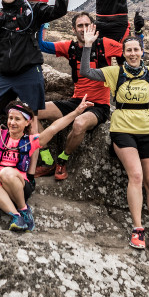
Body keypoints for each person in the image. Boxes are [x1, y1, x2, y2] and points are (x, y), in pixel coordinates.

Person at [77, 23, 149, 256]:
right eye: (128, 50)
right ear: (123, 54)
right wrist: (87, 46)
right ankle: (138, 229)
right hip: (122, 129)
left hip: (147, 130)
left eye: (136, 50)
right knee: (136, 176)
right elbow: (86, 72)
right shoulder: (114, 72)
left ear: (142, 52)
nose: (132, 54)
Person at [0, 72, 93, 231]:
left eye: (17, 119)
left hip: (17, 186)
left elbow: (55, 127)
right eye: (10, 118)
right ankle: (17, 216)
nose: (12, 122)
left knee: (7, 173)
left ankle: (23, 208)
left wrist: (77, 112)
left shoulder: (30, 141)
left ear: (27, 122)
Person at [34, 12, 123, 180]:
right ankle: (47, 160)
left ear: (93, 27)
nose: (83, 29)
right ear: (74, 29)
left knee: (79, 123)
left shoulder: (105, 44)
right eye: (80, 26)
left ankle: (63, 159)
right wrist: (42, 23)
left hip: (98, 106)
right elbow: (41, 45)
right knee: (32, 112)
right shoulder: (70, 47)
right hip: (75, 101)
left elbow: (132, 55)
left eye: (87, 25)